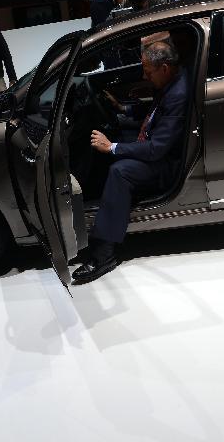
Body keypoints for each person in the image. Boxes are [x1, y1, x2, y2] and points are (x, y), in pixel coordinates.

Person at [73, 40, 190, 284]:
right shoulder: (171, 83)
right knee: (107, 146)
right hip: (156, 147)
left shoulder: (178, 94)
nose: (144, 76)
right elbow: (155, 114)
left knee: (120, 170)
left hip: (168, 164)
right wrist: (122, 109)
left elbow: (157, 149)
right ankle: (100, 204)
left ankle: (104, 253)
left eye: (148, 72)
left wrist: (112, 147)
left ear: (165, 68)